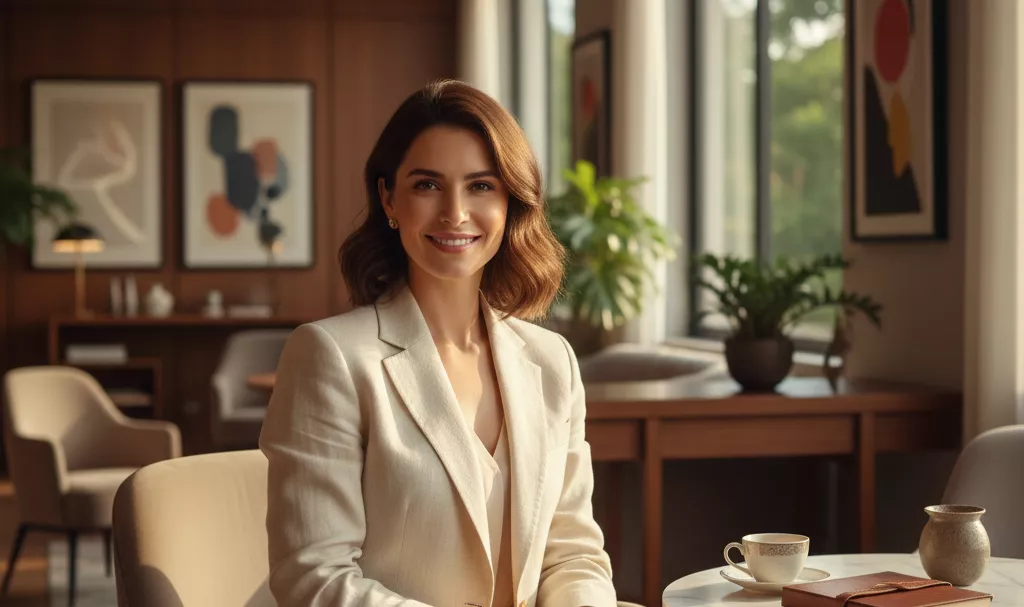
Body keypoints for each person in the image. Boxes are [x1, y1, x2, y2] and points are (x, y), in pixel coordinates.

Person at [260, 79, 616, 607]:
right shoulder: (330, 357)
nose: (455, 212)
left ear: (511, 201)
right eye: (427, 184)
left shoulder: (552, 362)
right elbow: (314, 578)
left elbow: (573, 555)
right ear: (389, 198)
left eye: (481, 186)